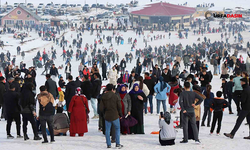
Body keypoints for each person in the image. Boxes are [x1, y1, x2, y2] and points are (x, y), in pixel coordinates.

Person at [100, 84, 123, 148]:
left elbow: (101, 108)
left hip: (107, 115)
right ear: (112, 89)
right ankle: (117, 143)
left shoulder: (103, 97)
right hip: (115, 115)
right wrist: (120, 114)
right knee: (117, 129)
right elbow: (119, 106)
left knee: (107, 130)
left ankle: (108, 144)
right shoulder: (115, 96)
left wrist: (103, 114)